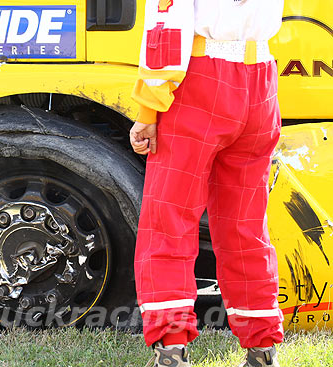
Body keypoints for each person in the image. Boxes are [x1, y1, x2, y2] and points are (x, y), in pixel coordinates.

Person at [130, 1, 285, 366]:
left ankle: (171, 349)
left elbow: (165, 26)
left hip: (200, 79)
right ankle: (262, 348)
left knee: (169, 219)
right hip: (260, 79)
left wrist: (147, 111)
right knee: (245, 228)